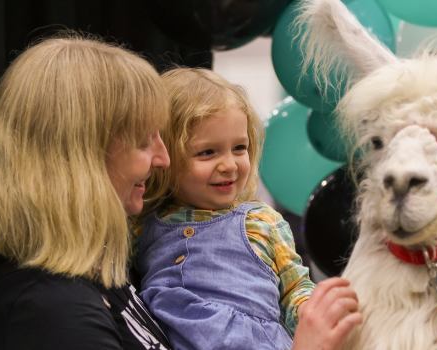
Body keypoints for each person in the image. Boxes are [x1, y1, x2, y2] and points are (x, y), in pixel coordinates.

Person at [0, 34, 175, 349]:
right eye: (143, 140)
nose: (164, 159)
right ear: (80, 158)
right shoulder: (54, 312)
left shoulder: (88, 274)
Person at [133, 67, 362, 350]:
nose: (229, 165)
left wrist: (307, 311)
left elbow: (295, 286)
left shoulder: (260, 221)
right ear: (165, 155)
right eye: (208, 152)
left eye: (240, 148)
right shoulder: (143, 226)